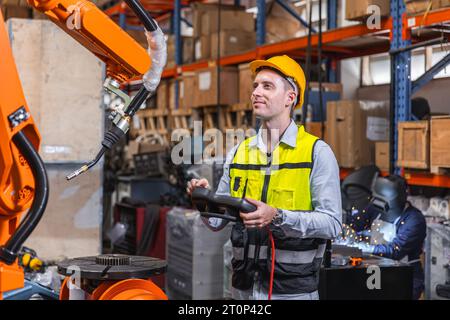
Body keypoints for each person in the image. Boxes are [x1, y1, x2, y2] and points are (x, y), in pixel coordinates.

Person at [187, 55, 342, 300]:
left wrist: (278, 217)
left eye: (267, 86)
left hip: (291, 292)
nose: (256, 92)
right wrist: (205, 203)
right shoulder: (239, 152)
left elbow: (333, 224)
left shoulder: (316, 153)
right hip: (243, 288)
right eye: (255, 86)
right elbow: (219, 222)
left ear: (290, 98)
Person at [347, 175, 427, 300]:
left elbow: (395, 250)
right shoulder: (377, 208)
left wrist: (362, 247)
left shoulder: (414, 219)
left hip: (404, 277)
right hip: (377, 273)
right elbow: (357, 226)